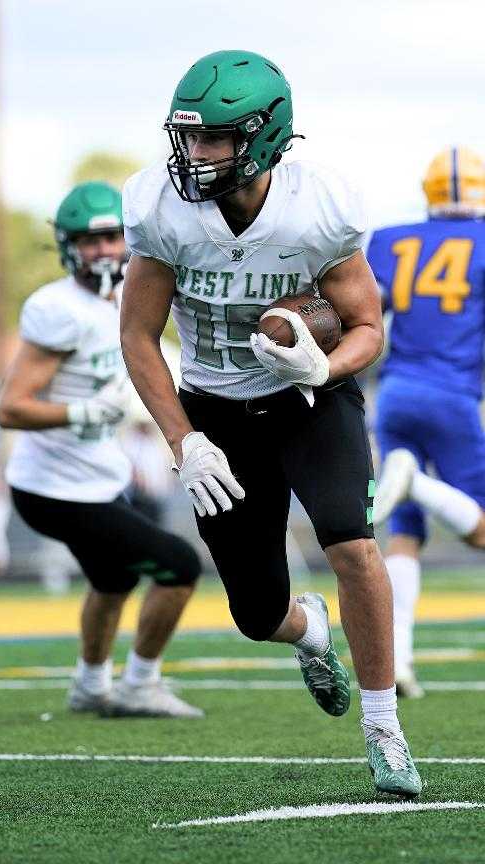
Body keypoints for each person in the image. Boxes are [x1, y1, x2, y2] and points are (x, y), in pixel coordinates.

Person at [119, 50, 421, 797]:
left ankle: (384, 728)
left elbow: (366, 327)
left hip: (309, 399)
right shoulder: (161, 206)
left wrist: (324, 368)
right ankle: (308, 630)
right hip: (215, 410)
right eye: (188, 137)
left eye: (214, 139)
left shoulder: (319, 204)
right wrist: (183, 439)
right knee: (256, 613)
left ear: (262, 136)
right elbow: (137, 335)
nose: (196, 154)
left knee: (352, 541)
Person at [0, 181, 204, 719]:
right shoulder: (57, 308)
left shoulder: (132, 298)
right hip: (52, 487)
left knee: (113, 578)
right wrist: (82, 412)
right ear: (67, 247)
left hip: (98, 477)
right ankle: (139, 683)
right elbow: (11, 408)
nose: (105, 251)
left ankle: (91, 685)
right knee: (178, 566)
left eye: (113, 237)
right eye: (90, 242)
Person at [367, 147, 485, 699]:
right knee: (481, 528)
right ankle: (416, 480)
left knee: (405, 533)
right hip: (454, 395)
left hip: (395, 391)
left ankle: (400, 660)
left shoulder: (391, 239)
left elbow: (367, 311)